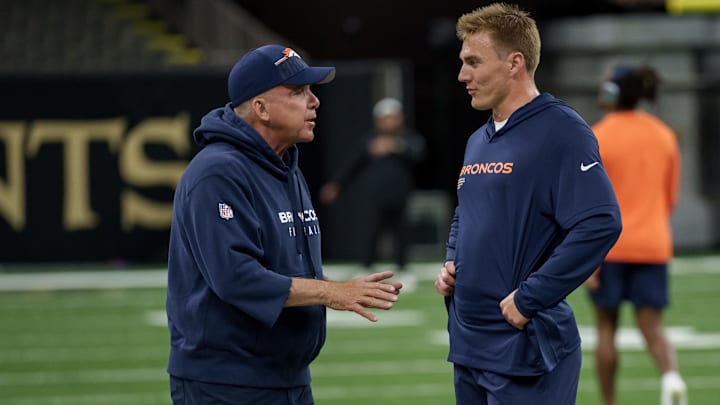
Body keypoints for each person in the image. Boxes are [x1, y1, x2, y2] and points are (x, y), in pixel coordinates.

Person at [165, 44, 403, 405]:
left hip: (285, 378)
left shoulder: (285, 166)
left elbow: (286, 267)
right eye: (297, 92)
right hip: (228, 383)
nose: (314, 101)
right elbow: (235, 277)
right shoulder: (218, 171)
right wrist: (331, 293)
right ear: (260, 108)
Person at [433, 3, 622, 404]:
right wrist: (452, 262)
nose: (462, 75)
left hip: (526, 348)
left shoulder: (562, 131)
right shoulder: (478, 138)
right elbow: (466, 210)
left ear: (514, 63)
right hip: (469, 347)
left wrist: (529, 297)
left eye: (473, 62)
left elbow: (600, 222)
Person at [585, 64, 687, 405]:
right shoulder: (664, 135)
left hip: (609, 249)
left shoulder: (597, 136)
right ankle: (671, 377)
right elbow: (670, 196)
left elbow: (589, 202)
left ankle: (610, 401)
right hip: (653, 244)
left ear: (612, 94)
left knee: (606, 330)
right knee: (653, 327)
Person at [319, 97, 425, 275]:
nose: (390, 121)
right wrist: (336, 185)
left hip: (399, 196)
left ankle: (403, 267)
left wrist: (396, 147)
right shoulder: (368, 141)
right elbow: (351, 165)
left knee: (401, 233)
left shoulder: (408, 139)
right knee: (370, 230)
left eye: (393, 117)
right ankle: (366, 265)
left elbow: (419, 154)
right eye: (386, 117)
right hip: (374, 197)